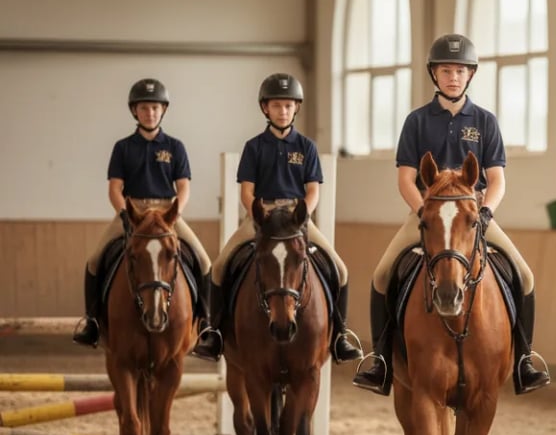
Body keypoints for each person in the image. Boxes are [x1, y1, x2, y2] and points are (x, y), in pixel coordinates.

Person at [352, 33, 550, 396]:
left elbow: (497, 179)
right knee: (382, 275)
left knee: (524, 275)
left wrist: (486, 210)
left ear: (470, 75)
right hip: (427, 215)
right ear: (434, 75)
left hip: (472, 217)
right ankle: (380, 360)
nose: (453, 77)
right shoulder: (417, 121)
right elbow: (405, 179)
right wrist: (424, 212)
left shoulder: (486, 121)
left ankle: (524, 359)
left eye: (460, 71)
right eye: (446, 70)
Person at [190, 73, 362, 364]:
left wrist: (302, 214)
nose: (283, 111)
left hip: (296, 219)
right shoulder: (254, 146)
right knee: (219, 267)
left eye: (288, 105)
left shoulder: (306, 147)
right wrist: (260, 214)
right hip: (262, 218)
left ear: (296, 108)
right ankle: (214, 332)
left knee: (340, 269)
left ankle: (340, 335)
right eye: (277, 105)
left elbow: (313, 191)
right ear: (265, 108)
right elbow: (247, 191)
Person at [72, 78, 212, 348]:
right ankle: (93, 322)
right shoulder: (123, 147)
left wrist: (174, 213)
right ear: (135, 111)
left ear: (163, 111)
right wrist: (125, 213)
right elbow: (115, 188)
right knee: (94, 261)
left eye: (155, 108)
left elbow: (184, 187)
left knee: (204, 261)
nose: (150, 113)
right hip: (133, 211)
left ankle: (205, 322)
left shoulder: (175, 147)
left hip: (166, 212)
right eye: (145, 108)